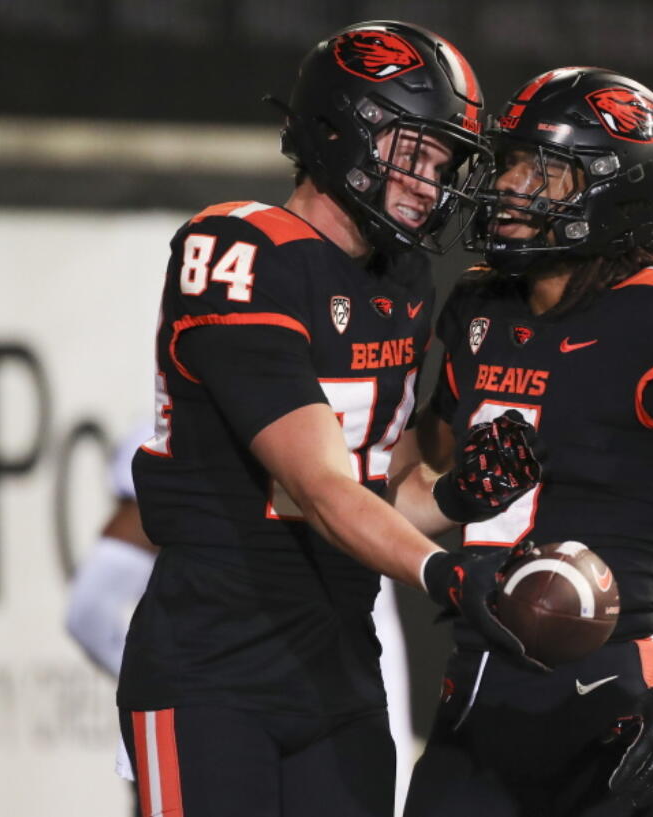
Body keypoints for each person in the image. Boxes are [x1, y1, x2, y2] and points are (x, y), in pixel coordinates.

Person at [117, 22, 542, 817]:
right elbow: (316, 486)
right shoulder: (241, 249)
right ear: (344, 129)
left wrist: (453, 496)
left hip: (340, 664)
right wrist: (444, 571)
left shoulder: (404, 276)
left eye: (444, 163)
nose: (432, 181)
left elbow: (369, 495)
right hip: (214, 666)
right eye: (415, 153)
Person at [402, 67, 653, 817]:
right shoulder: (479, 306)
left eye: (545, 171)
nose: (510, 185)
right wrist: (452, 495)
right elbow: (413, 496)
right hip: (478, 684)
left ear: (617, 192)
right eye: (510, 162)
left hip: (617, 696)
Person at [65, 423, 420, 808]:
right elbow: (91, 604)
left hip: (346, 712)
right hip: (218, 716)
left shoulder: (384, 400)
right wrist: (193, 698)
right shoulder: (191, 418)